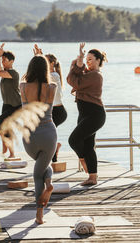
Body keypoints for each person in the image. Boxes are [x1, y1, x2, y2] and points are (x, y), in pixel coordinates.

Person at [20, 52, 57, 224]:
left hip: (30, 135)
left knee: (37, 171)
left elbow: (23, 81)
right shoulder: (52, 87)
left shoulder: (23, 87)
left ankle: (39, 213)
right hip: (49, 132)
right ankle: (40, 210)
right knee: (43, 167)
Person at [67, 43, 107, 186]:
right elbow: (78, 74)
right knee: (89, 145)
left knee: (73, 140)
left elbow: (74, 81)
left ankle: (83, 161)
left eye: (90, 59)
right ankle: (92, 177)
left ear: (98, 60)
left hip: (95, 115)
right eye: (87, 59)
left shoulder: (96, 76)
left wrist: (76, 67)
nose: (88, 62)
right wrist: (79, 59)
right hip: (84, 114)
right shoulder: (88, 73)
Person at [0, 43, 22, 159]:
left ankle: (11, 152)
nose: (3, 62)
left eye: (4, 60)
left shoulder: (13, 73)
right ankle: (7, 150)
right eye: (2, 60)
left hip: (16, 106)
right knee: (5, 127)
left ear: (11, 61)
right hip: (6, 105)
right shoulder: (5, 73)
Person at [45, 53, 67, 162]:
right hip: (52, 111)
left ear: (52, 63)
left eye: (45, 61)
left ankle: (53, 160)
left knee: (49, 135)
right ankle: (55, 151)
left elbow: (44, 76)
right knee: (49, 134)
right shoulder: (49, 75)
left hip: (58, 112)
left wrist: (38, 57)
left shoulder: (54, 75)